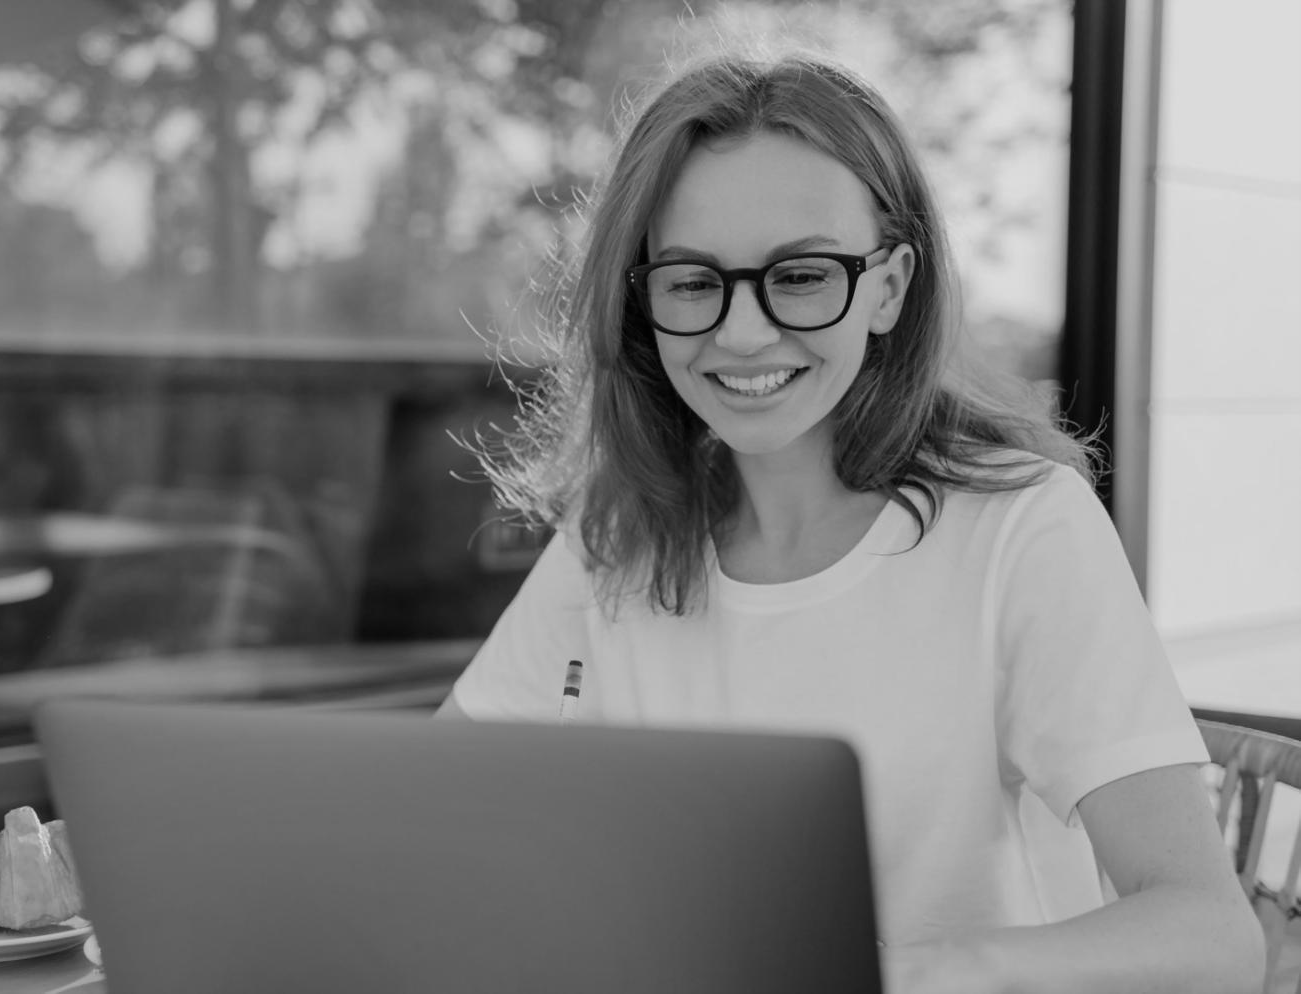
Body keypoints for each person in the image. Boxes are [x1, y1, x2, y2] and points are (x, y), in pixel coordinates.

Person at [437, 39, 1264, 994]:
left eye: (800, 276)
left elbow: (1214, 939)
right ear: (643, 302)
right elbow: (428, 827)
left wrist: (901, 974)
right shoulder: (617, 536)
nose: (742, 333)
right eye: (694, 282)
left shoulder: (1021, 530)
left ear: (888, 287)